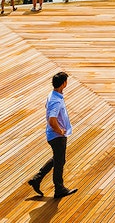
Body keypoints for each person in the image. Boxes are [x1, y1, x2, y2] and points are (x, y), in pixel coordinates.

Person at [28, 71, 77, 199]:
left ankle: (37, 179)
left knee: (58, 159)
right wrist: (60, 130)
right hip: (57, 137)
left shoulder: (53, 95)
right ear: (63, 84)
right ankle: (59, 189)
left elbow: (47, 107)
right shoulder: (56, 101)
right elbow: (52, 119)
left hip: (52, 135)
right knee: (59, 162)